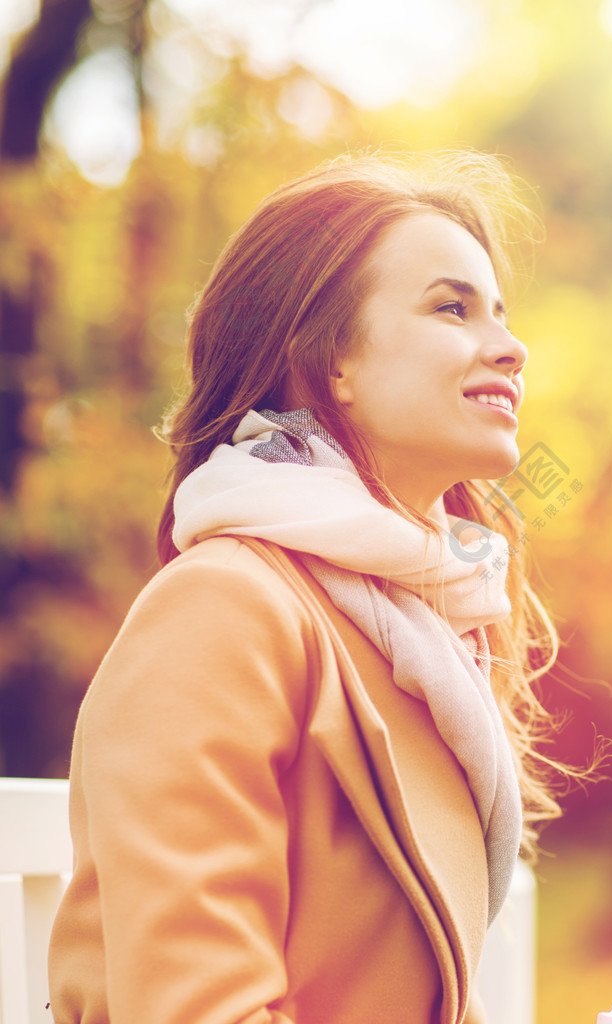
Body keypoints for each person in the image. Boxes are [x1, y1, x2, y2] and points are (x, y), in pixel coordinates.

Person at [47, 150, 579, 1024]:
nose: (511, 348)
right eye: (452, 307)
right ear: (330, 361)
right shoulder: (222, 609)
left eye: (500, 313)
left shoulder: (421, 630)